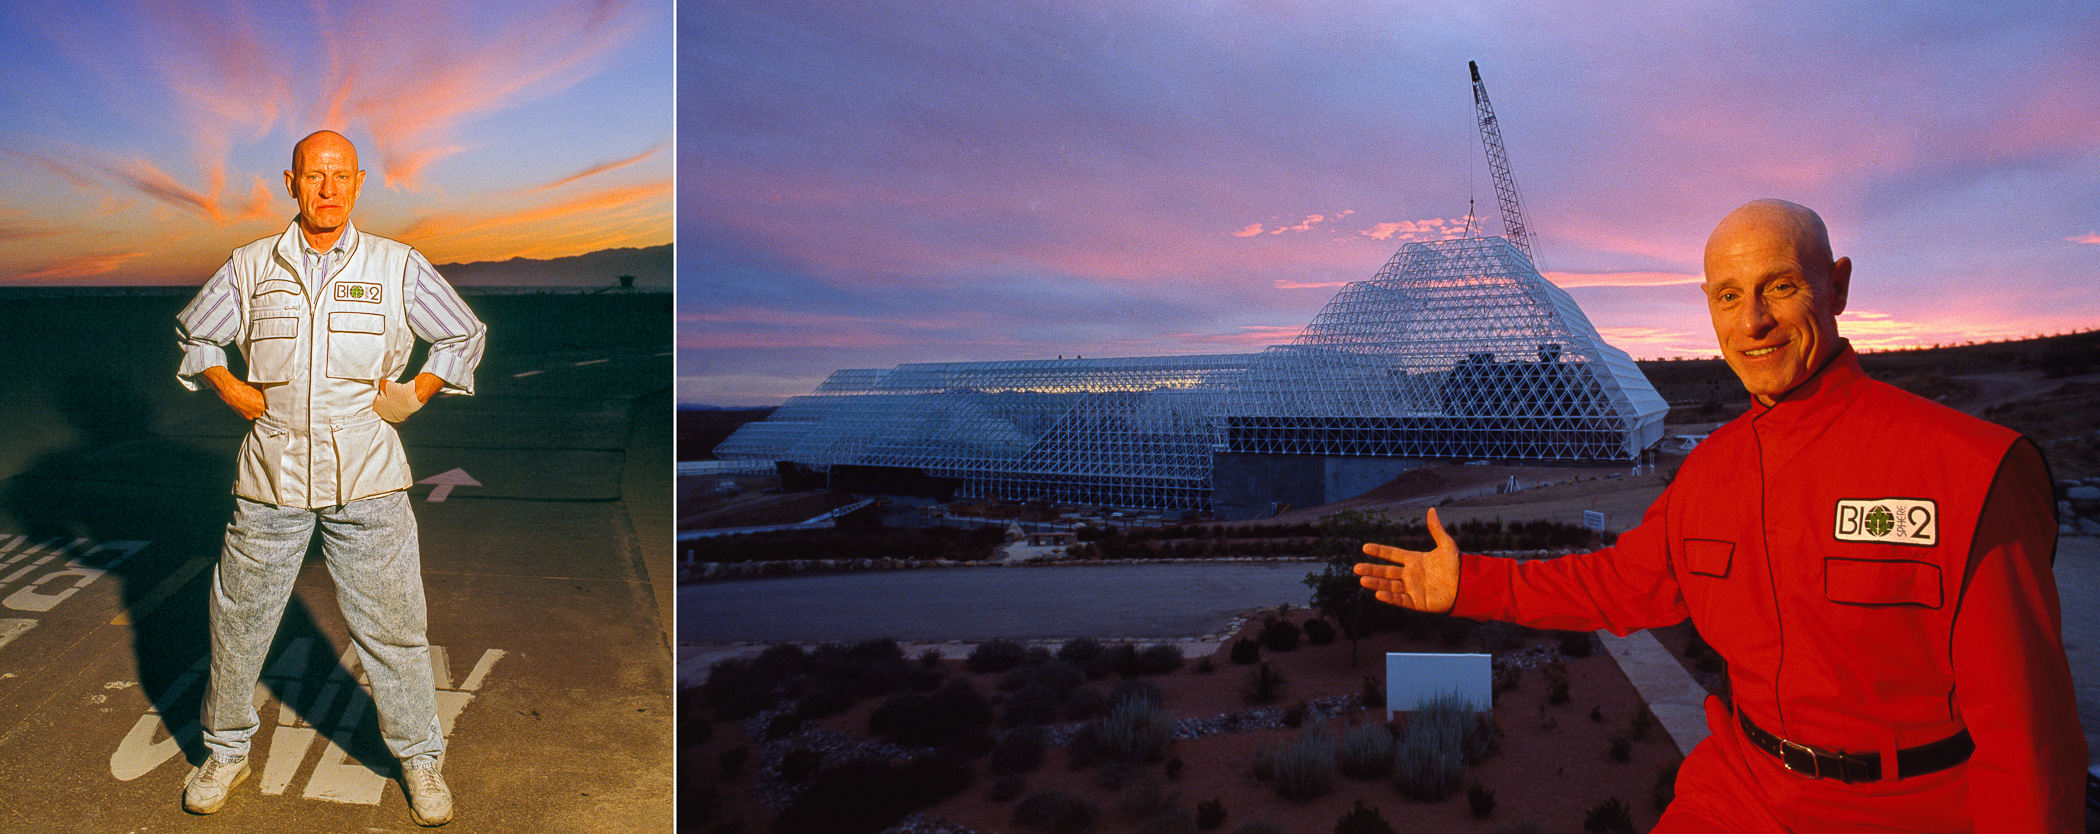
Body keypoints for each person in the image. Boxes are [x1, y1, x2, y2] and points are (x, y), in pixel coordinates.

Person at [1355, 199, 2083, 832]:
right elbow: (1616, 586)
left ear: (1838, 287)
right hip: (1745, 794)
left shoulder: (1969, 468)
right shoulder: (1712, 472)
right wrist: (1471, 585)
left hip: (1914, 806)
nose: (1753, 322)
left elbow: (2027, 739)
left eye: (1781, 287)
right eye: (1728, 297)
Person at [174, 130, 486, 827]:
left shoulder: (395, 265)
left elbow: (463, 333)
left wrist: (420, 390)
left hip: (368, 479)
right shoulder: (253, 266)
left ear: (359, 181)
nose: (327, 188)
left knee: (395, 628)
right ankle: (224, 751)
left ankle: (418, 758)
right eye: (314, 175)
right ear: (290, 182)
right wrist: (231, 388)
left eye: (340, 175)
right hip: (269, 480)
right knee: (238, 625)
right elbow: (197, 335)